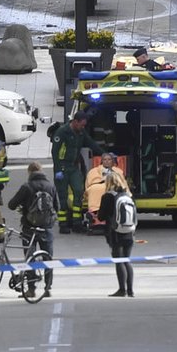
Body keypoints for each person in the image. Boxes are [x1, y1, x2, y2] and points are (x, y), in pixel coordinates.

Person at [8, 162, 58, 296]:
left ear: (29, 172)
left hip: (29, 227)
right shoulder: (50, 186)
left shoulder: (27, 187)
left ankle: (31, 289)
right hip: (46, 228)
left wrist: (24, 207)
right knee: (48, 257)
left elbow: (11, 205)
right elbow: (57, 207)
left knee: (30, 258)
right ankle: (48, 288)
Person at [50, 113, 103, 233]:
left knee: (79, 191)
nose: (83, 127)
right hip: (62, 168)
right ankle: (63, 225)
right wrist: (58, 170)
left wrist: (103, 153)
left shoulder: (81, 132)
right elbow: (55, 153)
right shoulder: (62, 132)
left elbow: (91, 143)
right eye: (81, 125)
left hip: (73, 167)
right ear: (75, 121)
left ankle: (77, 223)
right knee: (63, 197)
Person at [97, 168, 137, 297]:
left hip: (115, 232)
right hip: (129, 231)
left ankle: (122, 289)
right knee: (127, 260)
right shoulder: (128, 196)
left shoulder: (108, 196)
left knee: (119, 260)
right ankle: (130, 290)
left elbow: (101, 216)